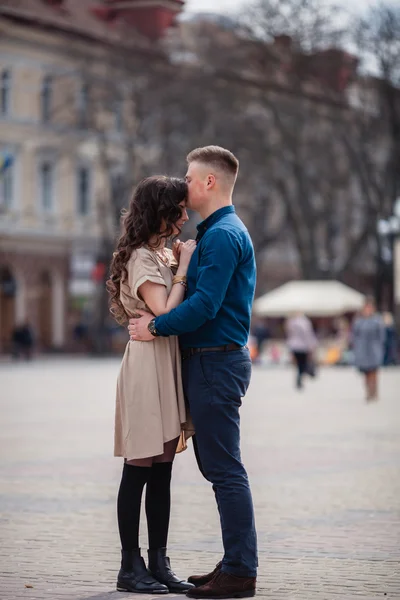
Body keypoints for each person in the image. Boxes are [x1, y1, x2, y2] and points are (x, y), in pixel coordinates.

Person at [129, 146, 258, 600]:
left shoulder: (223, 236)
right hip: (209, 360)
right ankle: (234, 561)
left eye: (188, 176)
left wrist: (155, 326)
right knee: (217, 466)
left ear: (208, 182)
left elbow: (205, 305)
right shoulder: (214, 234)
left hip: (215, 360)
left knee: (224, 469)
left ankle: (240, 571)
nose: (183, 183)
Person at [106, 176, 196, 595]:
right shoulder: (142, 256)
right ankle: (130, 567)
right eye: (179, 208)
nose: (185, 215)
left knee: (162, 471)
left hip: (165, 363)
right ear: (161, 211)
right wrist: (185, 269)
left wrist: (176, 262)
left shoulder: (160, 253)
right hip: (147, 367)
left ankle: (159, 562)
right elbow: (161, 312)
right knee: (139, 469)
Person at [352, 297, 385, 401]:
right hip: (362, 350)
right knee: (366, 372)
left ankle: (374, 391)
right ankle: (368, 392)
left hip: (374, 349)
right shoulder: (359, 321)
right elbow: (355, 335)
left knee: (373, 372)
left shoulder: (377, 320)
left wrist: (379, 346)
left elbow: (381, 336)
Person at [286, 312, 318, 389]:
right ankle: (301, 378)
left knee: (299, 364)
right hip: (303, 346)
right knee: (302, 364)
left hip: (294, 346)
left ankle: (299, 378)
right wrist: (311, 345)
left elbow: (289, 334)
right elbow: (307, 334)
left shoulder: (291, 322)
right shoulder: (305, 322)